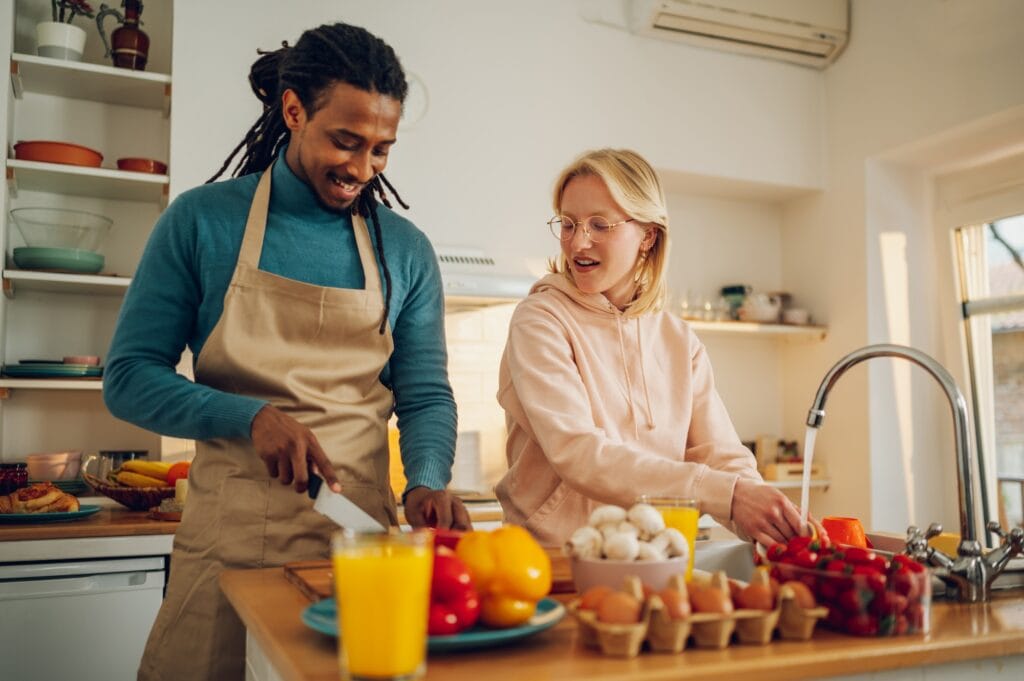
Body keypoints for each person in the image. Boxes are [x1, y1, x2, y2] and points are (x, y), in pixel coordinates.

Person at [103, 22, 469, 680]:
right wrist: (248, 416)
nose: (362, 168)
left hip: (358, 548)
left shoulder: (405, 250)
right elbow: (128, 377)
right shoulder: (201, 221)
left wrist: (427, 481)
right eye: (346, 141)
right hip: (227, 545)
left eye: (382, 149)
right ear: (294, 110)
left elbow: (425, 394)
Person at [495, 148, 809, 548]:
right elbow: (579, 452)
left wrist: (768, 520)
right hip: (556, 558)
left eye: (599, 225)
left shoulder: (678, 340)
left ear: (648, 235)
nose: (578, 242)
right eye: (569, 224)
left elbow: (720, 454)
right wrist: (726, 494)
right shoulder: (540, 320)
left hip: (658, 556)